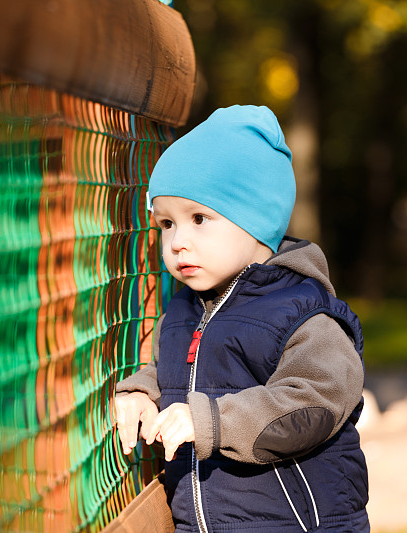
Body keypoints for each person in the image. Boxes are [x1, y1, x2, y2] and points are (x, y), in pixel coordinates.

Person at [114, 105, 369, 533]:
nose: (178, 242)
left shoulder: (302, 311)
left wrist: (211, 420)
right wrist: (143, 392)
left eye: (199, 219)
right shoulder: (183, 310)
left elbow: (316, 401)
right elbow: (173, 370)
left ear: (256, 220)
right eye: (167, 224)